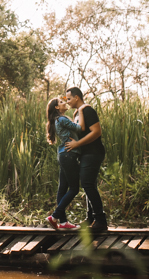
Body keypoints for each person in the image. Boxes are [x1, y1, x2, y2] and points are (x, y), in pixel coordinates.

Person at [63, 87, 108, 233]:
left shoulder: (88, 110)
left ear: (77, 97)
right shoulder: (78, 113)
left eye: (69, 98)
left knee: (87, 184)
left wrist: (77, 144)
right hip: (84, 154)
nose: (67, 102)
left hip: (93, 153)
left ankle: (100, 220)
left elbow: (97, 132)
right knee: (88, 184)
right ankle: (91, 218)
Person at [45, 96, 82, 230]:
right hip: (69, 155)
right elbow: (79, 128)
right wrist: (81, 112)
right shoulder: (61, 119)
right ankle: (54, 217)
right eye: (61, 102)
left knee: (62, 189)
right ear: (57, 108)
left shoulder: (57, 120)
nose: (65, 102)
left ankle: (63, 222)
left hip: (63, 155)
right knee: (74, 189)